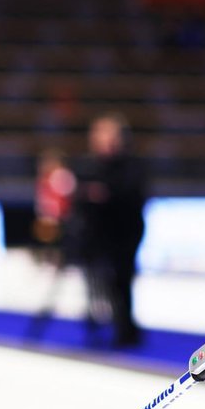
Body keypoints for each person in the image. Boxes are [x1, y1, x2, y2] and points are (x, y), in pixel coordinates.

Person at [76, 112, 149, 348]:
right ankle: (98, 324)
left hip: (124, 234)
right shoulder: (89, 166)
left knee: (121, 283)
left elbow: (134, 197)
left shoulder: (132, 166)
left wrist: (106, 195)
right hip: (96, 235)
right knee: (97, 283)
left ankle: (126, 329)